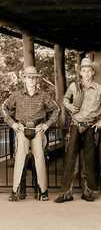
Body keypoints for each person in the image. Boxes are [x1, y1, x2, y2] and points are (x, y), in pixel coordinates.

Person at [2, 66, 60, 201]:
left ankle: (42, 191)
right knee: (19, 158)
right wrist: (13, 123)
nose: (31, 81)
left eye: (34, 78)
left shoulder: (44, 95)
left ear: (37, 79)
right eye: (29, 78)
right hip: (21, 128)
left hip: (37, 129)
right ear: (24, 79)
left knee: (40, 159)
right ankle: (16, 191)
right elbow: (4, 107)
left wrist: (46, 124)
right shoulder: (16, 95)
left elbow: (56, 109)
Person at [54, 57, 101, 203]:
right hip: (75, 125)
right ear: (81, 72)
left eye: (89, 70)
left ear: (93, 72)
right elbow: (65, 100)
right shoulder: (74, 86)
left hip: (90, 125)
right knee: (71, 158)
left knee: (89, 159)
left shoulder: (100, 89)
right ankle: (66, 192)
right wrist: (70, 107)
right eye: (83, 70)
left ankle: (88, 191)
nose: (86, 73)